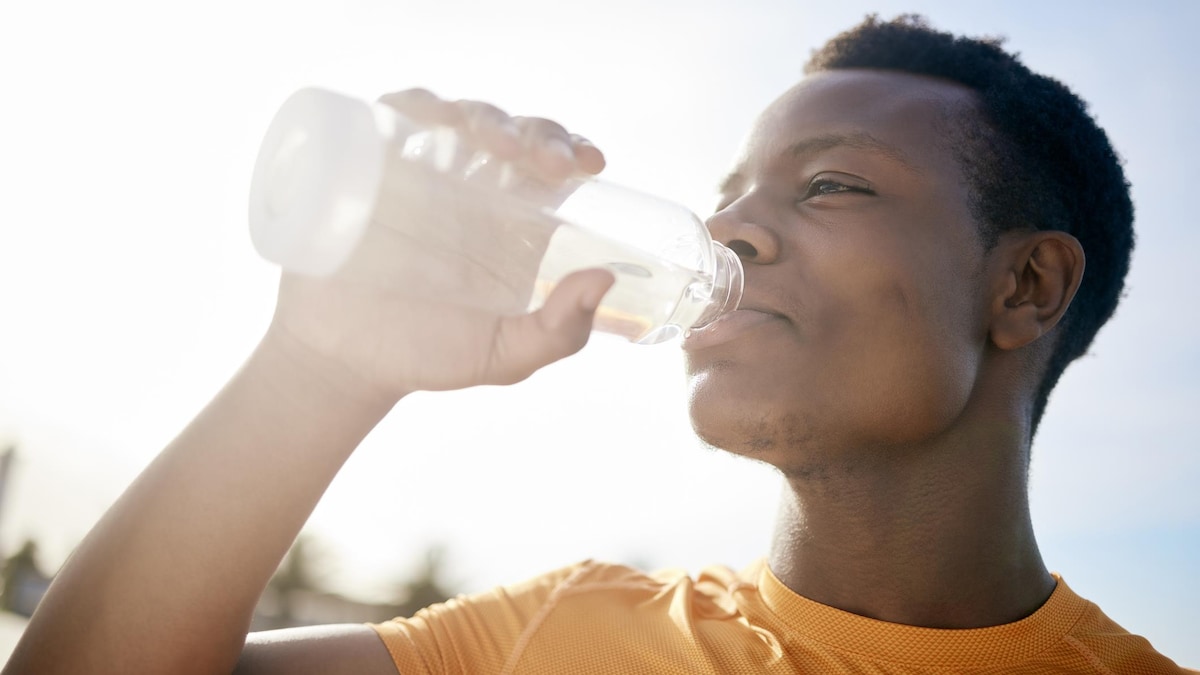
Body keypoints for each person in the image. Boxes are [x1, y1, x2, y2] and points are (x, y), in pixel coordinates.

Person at [5, 14, 1193, 675]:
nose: (728, 227)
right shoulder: (561, 636)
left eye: (828, 186)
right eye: (731, 193)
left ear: (1027, 285)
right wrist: (315, 375)